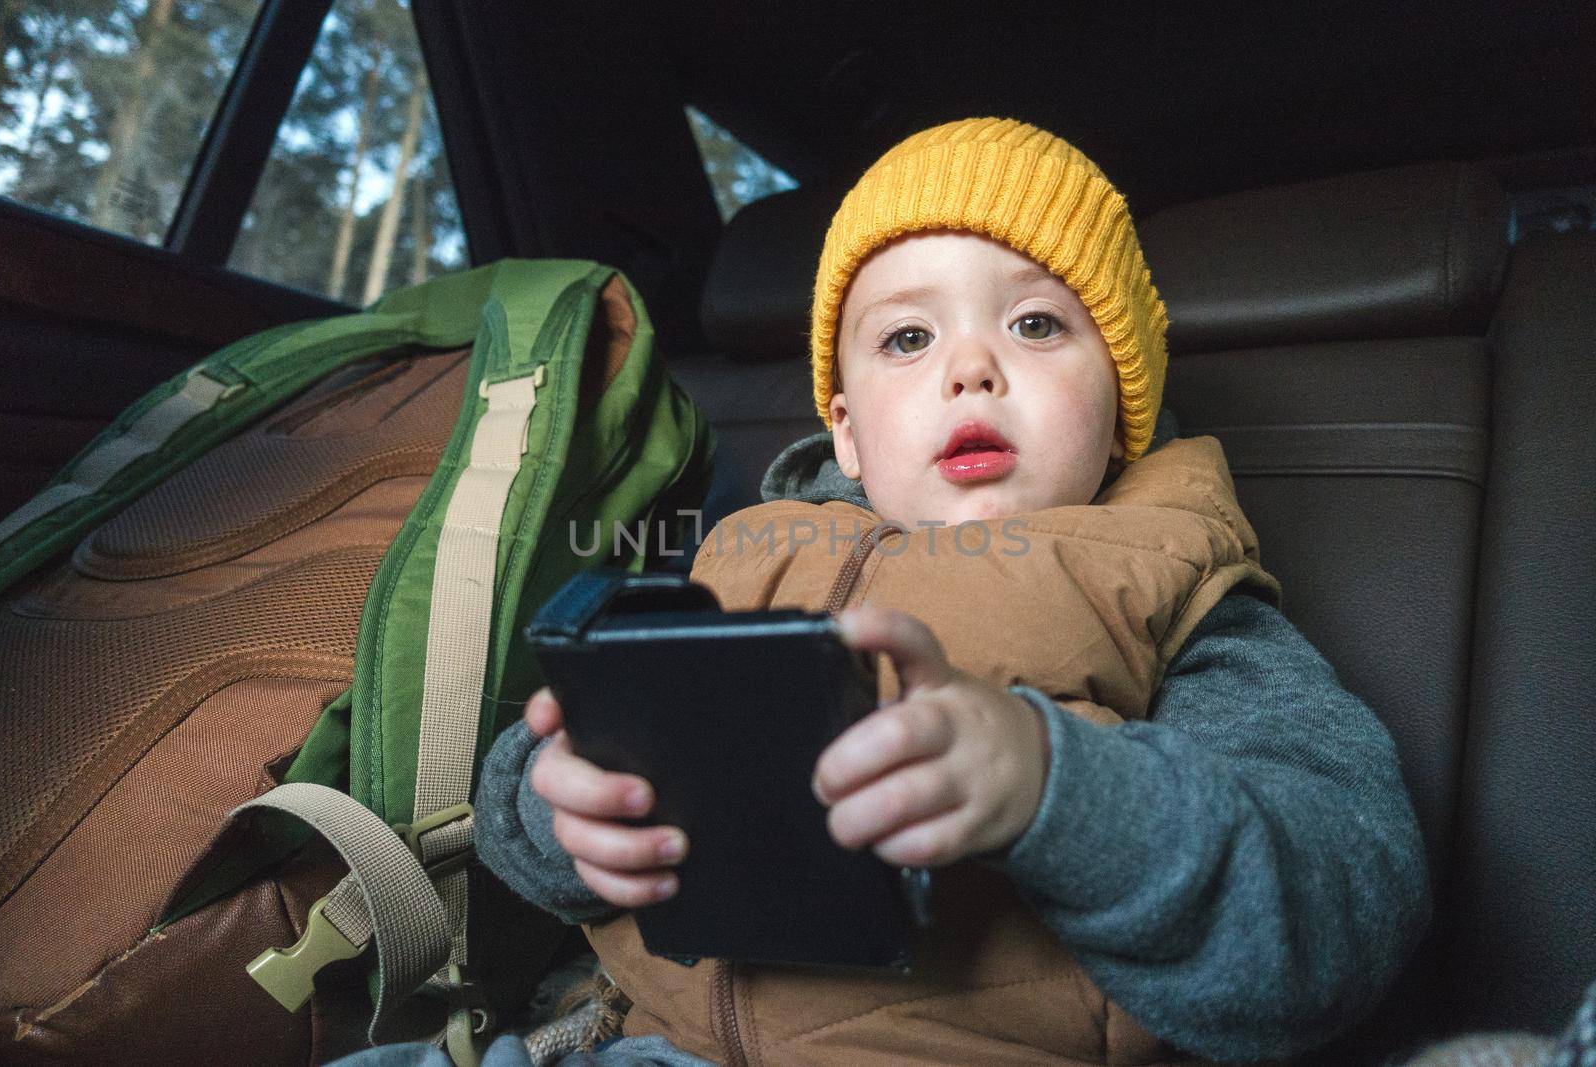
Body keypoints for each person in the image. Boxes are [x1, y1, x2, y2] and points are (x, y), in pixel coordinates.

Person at [395, 118, 1432, 1065]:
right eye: (907, 338)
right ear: (845, 428)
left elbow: (1343, 901)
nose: (970, 367)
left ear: (1121, 399)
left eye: (1033, 325)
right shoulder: (736, 550)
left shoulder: (1177, 590)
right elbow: (528, 796)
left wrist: (1052, 784)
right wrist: (557, 797)